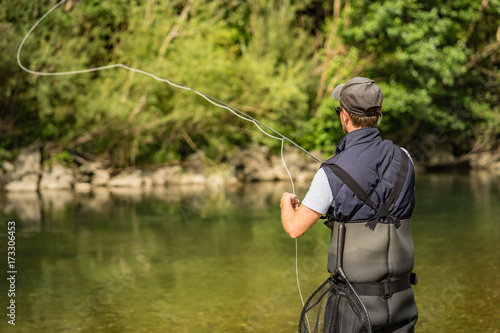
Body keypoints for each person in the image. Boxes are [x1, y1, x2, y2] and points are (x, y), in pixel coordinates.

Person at [280, 77, 418, 332]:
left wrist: (284, 203)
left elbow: (294, 228)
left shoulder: (330, 171)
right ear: (379, 114)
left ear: (344, 115)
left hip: (353, 307)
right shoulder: (406, 158)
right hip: (403, 302)